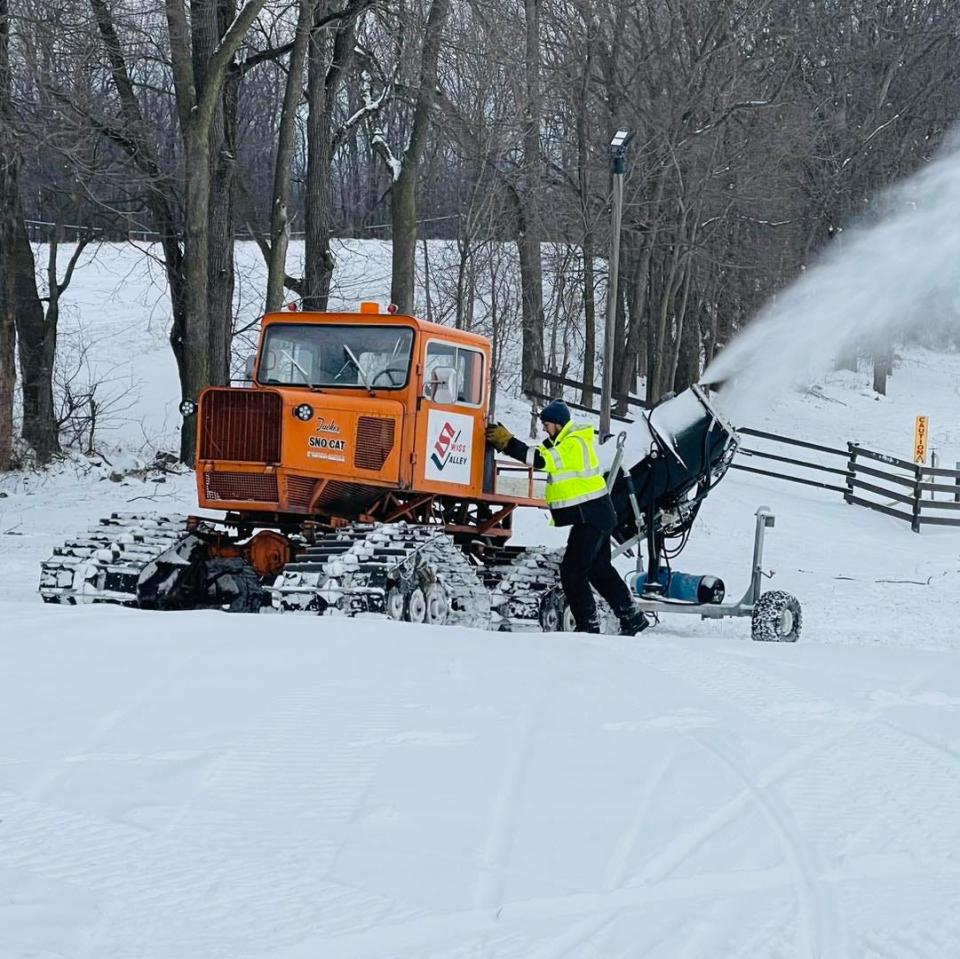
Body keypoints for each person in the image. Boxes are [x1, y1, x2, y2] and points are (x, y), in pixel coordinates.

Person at [485, 399, 648, 635]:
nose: (544, 429)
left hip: (592, 515)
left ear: (559, 424)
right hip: (595, 515)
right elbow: (538, 452)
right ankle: (632, 617)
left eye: (547, 424)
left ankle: (588, 625)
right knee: (599, 569)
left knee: (572, 572)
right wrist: (510, 442)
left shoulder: (572, 444)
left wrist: (508, 443)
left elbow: (542, 460)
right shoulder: (561, 442)